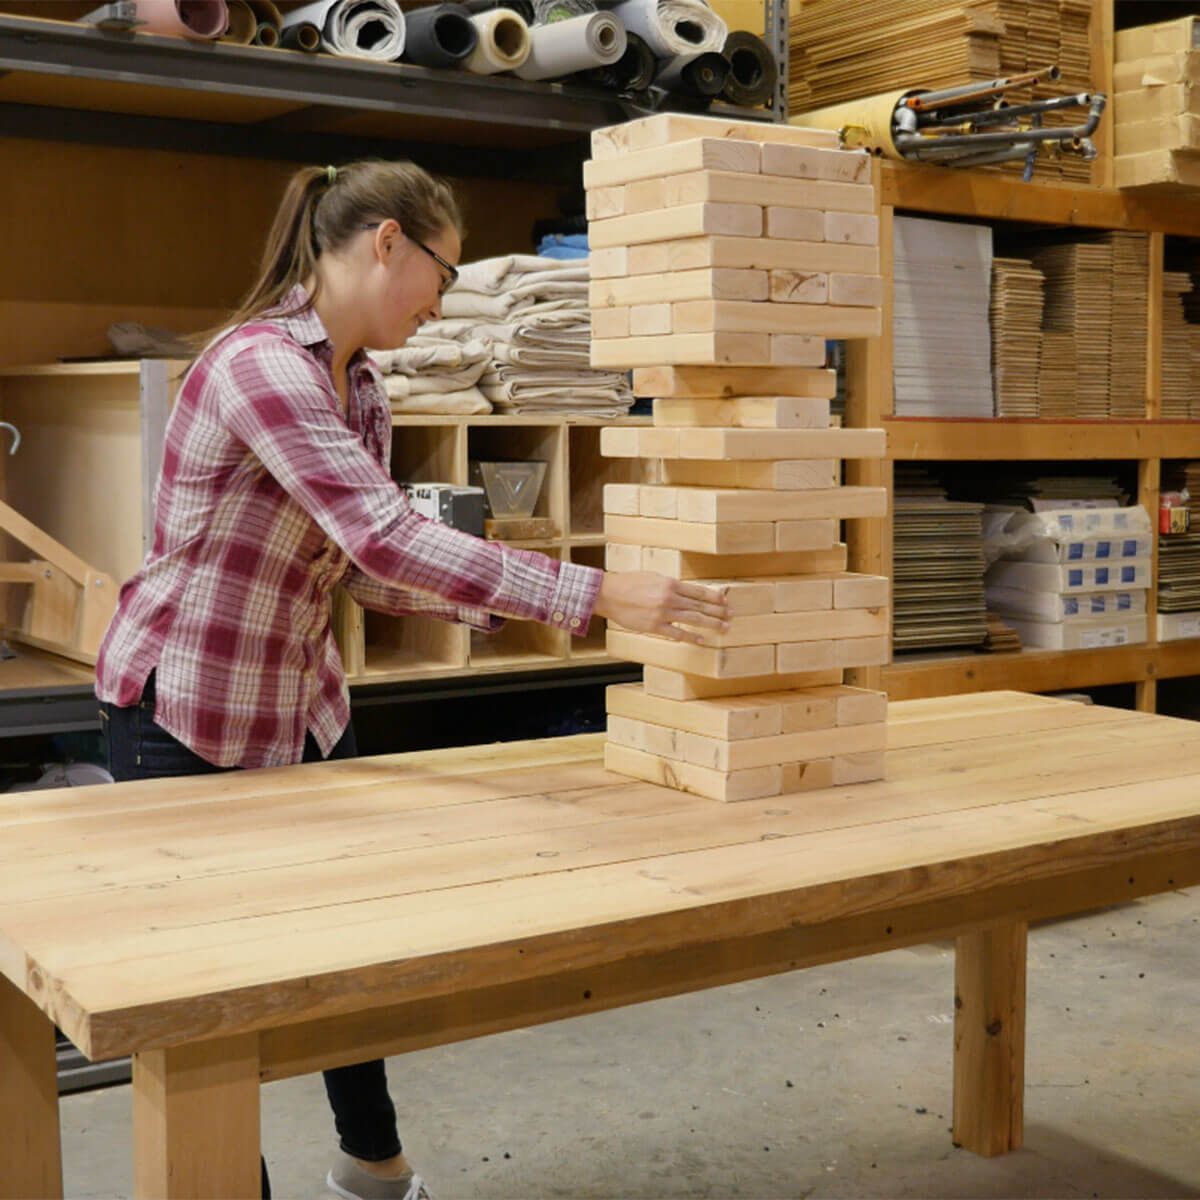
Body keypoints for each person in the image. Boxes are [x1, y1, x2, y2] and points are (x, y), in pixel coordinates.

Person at [94, 159, 731, 1200]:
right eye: (442, 272)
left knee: (351, 946)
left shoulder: (360, 385)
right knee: (211, 996)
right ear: (386, 242)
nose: (441, 304)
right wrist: (599, 595)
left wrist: (510, 612)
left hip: (301, 704)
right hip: (186, 711)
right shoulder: (263, 367)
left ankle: (374, 1172)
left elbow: (358, 568)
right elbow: (388, 539)